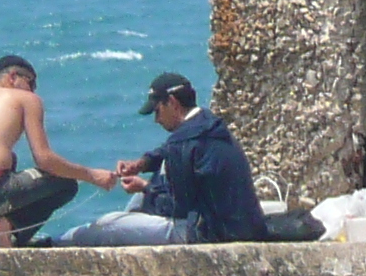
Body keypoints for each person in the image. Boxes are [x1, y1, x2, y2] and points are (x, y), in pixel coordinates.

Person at [63, 72, 268, 247]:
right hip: (242, 225)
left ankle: (59, 242)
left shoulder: (182, 143)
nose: (156, 119)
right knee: (138, 202)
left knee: (109, 225)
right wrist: (141, 164)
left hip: (206, 233)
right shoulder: (209, 126)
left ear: (172, 103)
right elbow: (166, 151)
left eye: (157, 111)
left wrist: (146, 187)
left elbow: (176, 209)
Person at [0, 54, 117, 244]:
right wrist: (92, 175)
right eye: (31, 83)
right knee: (65, 183)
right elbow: (44, 159)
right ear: (13, 77)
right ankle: (9, 228)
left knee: (10, 160)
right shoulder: (26, 99)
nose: (33, 90)